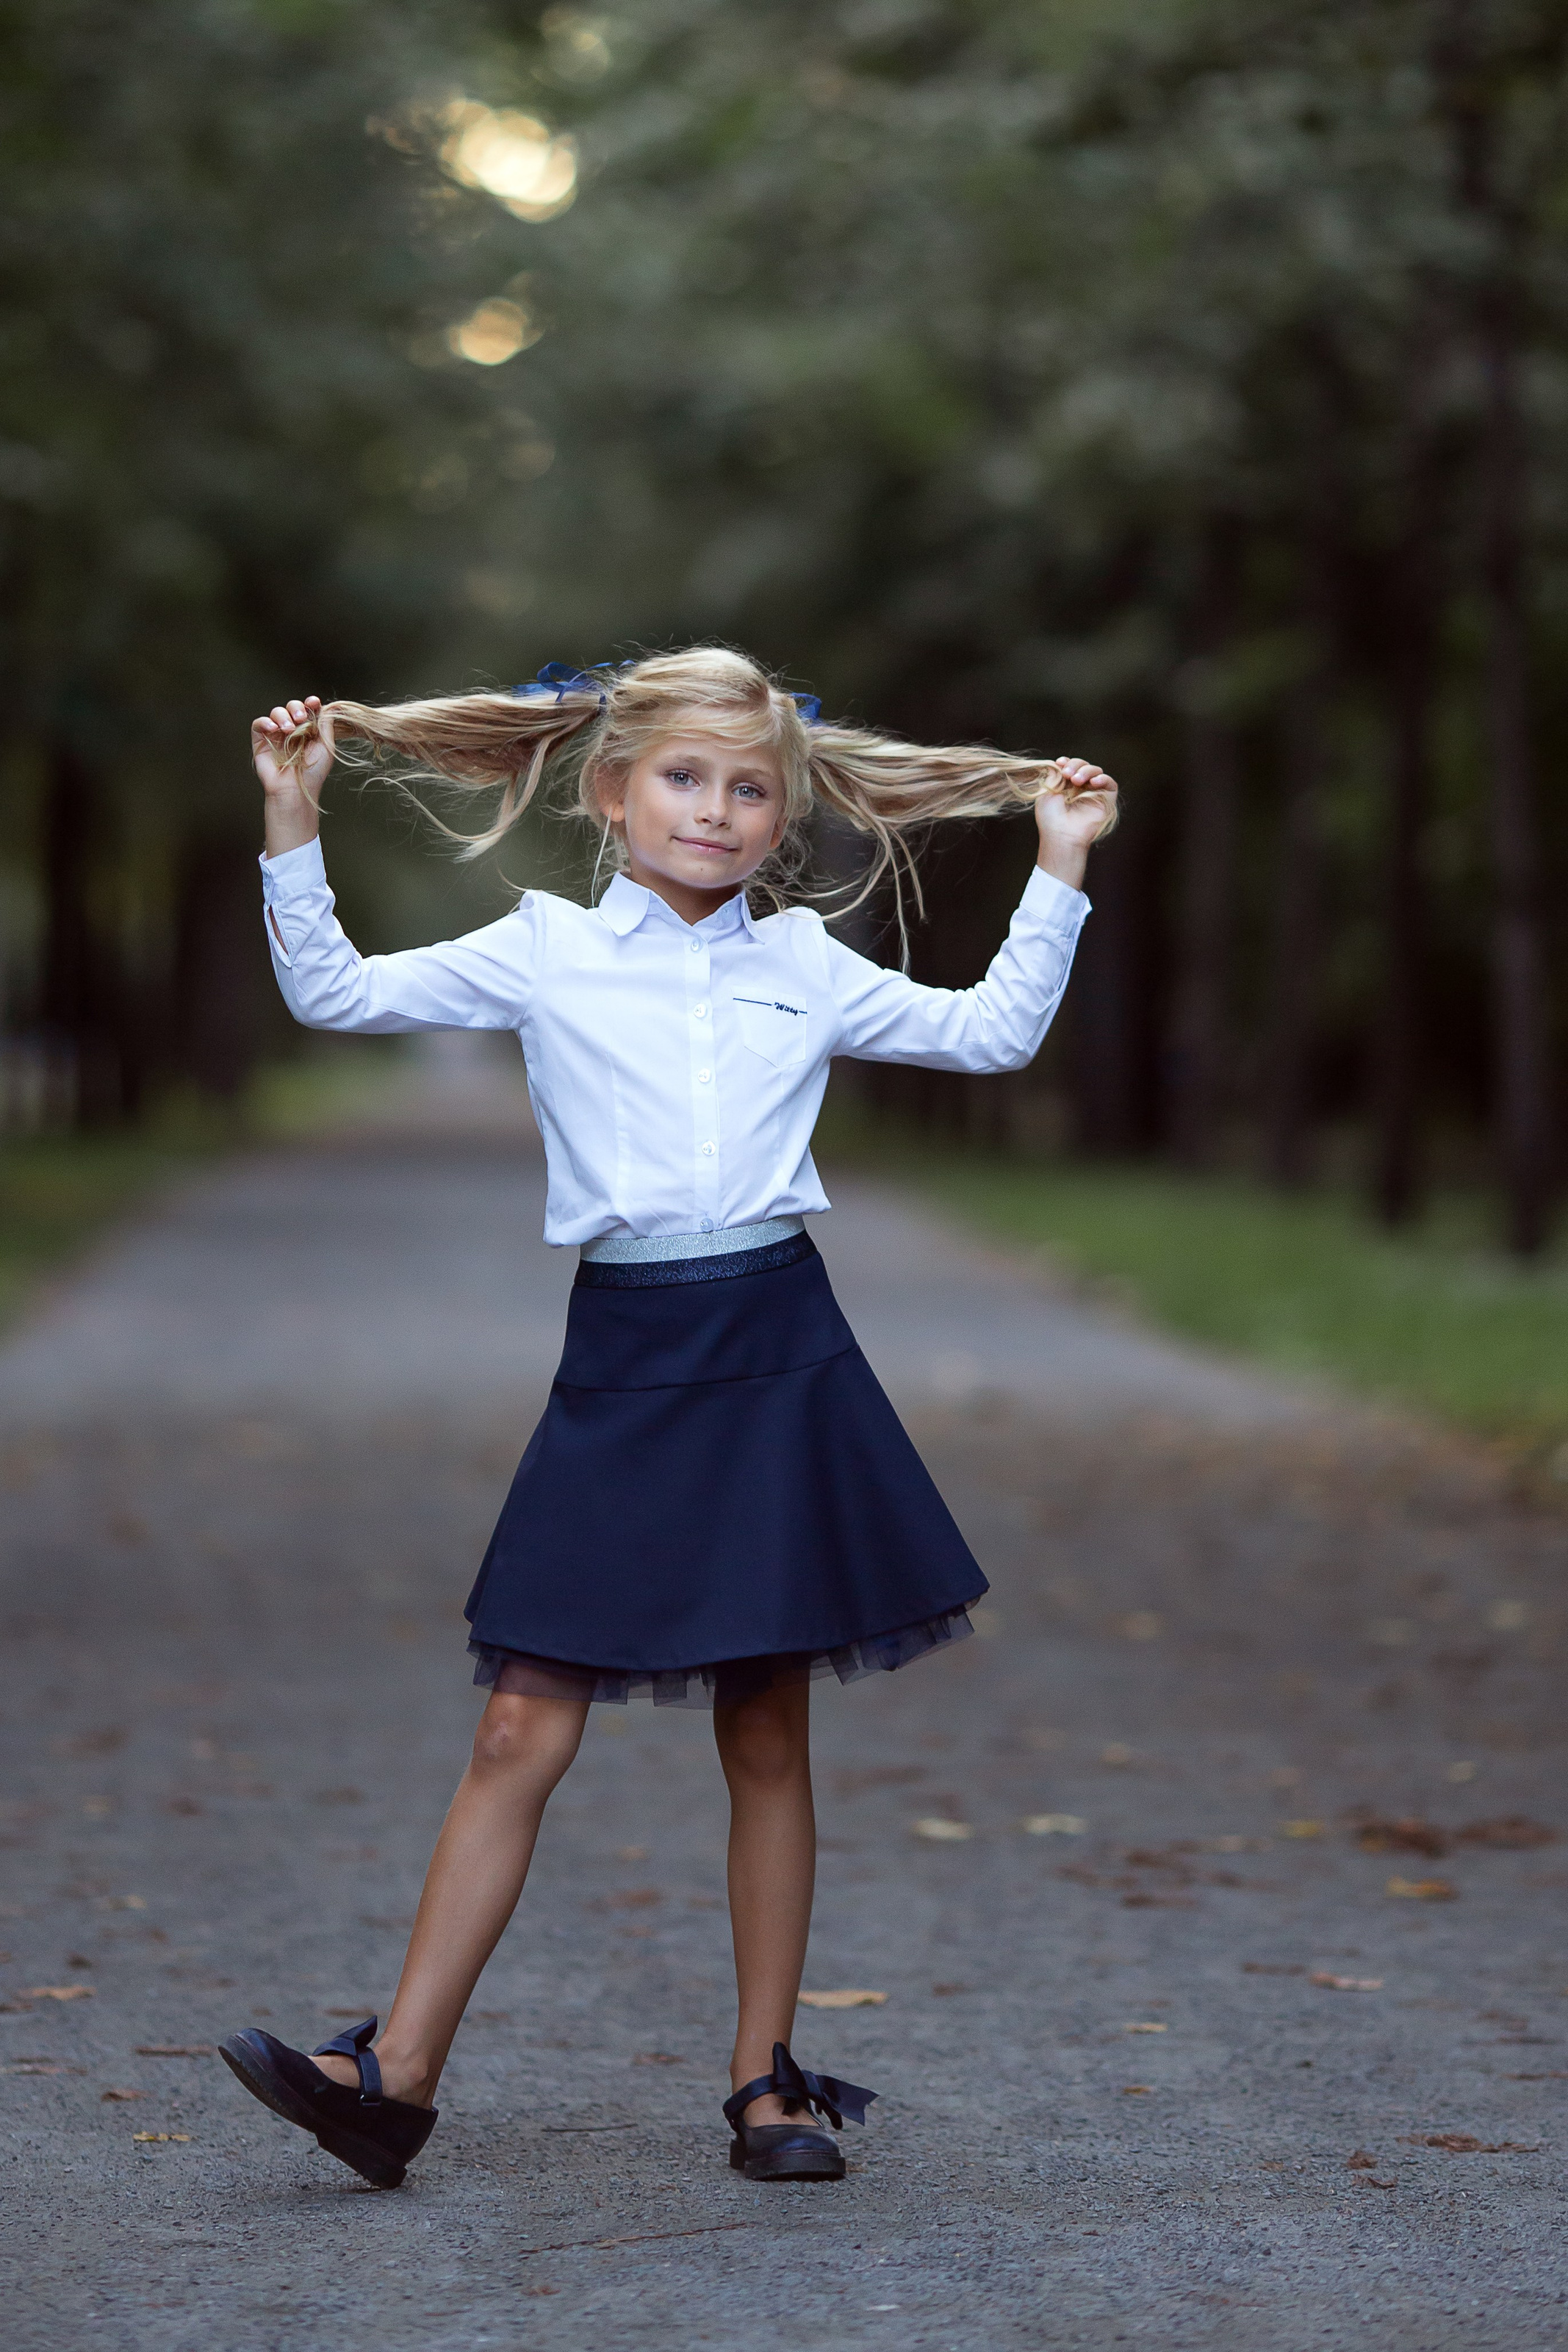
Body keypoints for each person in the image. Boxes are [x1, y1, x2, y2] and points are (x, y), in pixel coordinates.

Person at [219, 646, 1118, 2188]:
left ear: (783, 815)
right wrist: (291, 823)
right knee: (519, 1715)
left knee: (765, 1726)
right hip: (625, 1354)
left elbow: (989, 1035)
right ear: (614, 791)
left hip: (776, 1349)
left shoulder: (808, 964)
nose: (715, 809)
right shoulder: (544, 946)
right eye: (686, 779)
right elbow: (332, 989)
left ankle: (765, 2081)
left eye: (749, 787)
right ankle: (392, 2072)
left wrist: (1057, 866)